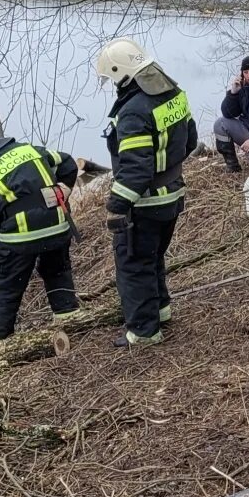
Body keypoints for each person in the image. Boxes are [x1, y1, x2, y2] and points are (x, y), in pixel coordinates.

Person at [94, 37, 199, 346]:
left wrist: (116, 205)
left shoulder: (133, 112)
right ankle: (161, 310)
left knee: (134, 264)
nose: (112, 83)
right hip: (173, 196)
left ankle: (143, 331)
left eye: (112, 77)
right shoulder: (174, 94)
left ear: (122, 72)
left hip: (145, 203)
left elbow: (136, 170)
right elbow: (190, 141)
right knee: (153, 256)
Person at [0, 118, 81, 342]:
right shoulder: (29, 150)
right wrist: (63, 191)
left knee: (4, 289)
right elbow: (68, 163)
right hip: (58, 227)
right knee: (57, 272)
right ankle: (72, 323)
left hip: (20, 240)